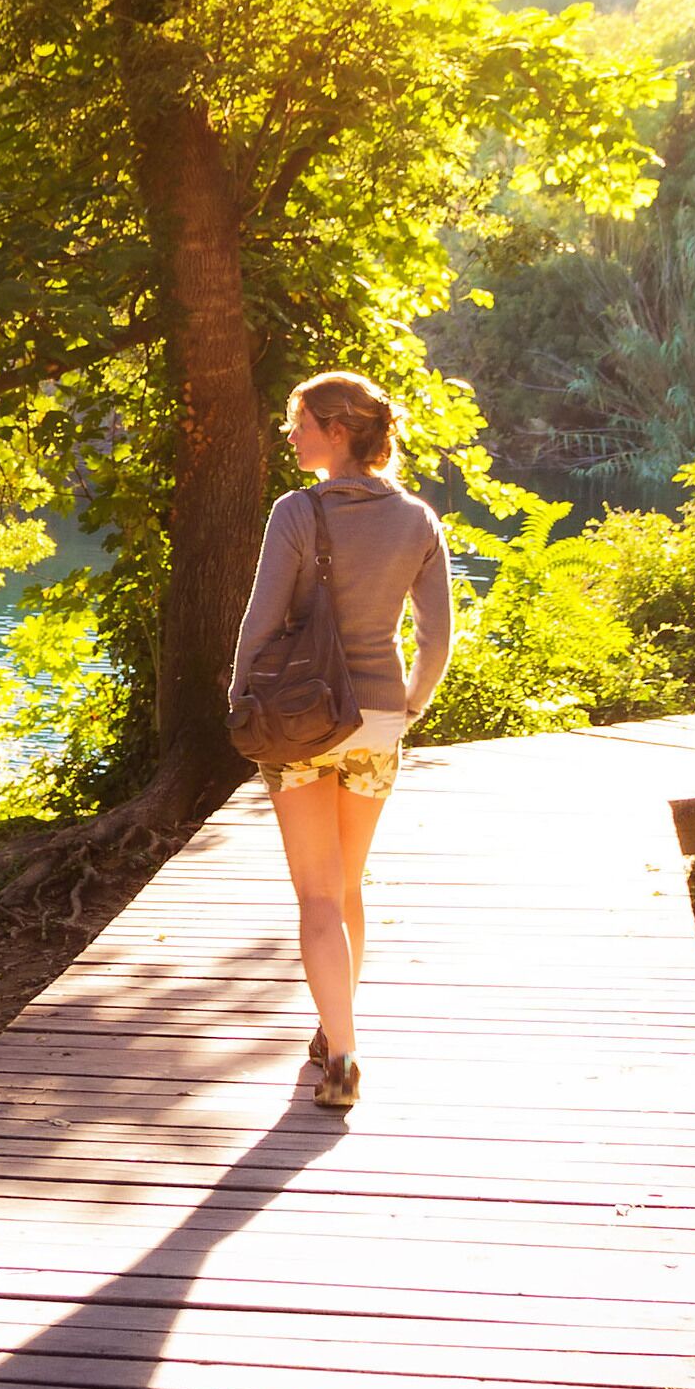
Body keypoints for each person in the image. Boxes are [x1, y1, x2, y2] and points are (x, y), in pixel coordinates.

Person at [231, 369, 453, 1111]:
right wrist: (408, 706)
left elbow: (260, 624)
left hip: (300, 722)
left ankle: (345, 1057)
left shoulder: (296, 513)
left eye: (301, 423)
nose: (291, 435)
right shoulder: (418, 519)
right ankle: (334, 1033)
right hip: (379, 723)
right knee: (348, 887)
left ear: (337, 431)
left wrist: (241, 701)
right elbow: (436, 637)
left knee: (318, 897)